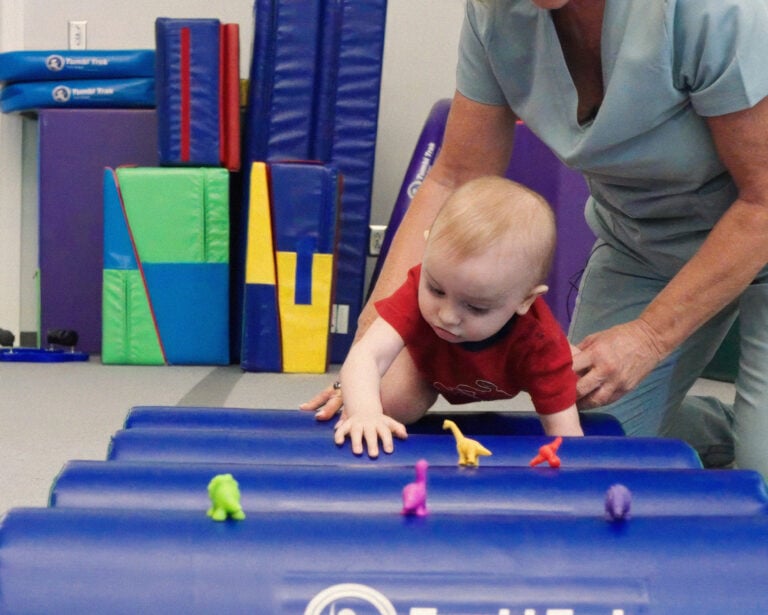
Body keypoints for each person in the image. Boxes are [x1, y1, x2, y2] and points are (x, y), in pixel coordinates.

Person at [305, 0, 768, 476]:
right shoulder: (495, 14)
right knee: (602, 431)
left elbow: (762, 201)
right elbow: (457, 175)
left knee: (764, 474)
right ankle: (726, 426)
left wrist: (647, 338)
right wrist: (368, 350)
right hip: (644, 244)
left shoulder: (710, 12)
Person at [302, 176, 583, 456]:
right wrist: (364, 413)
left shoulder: (539, 341)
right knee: (392, 400)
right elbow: (366, 355)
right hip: (429, 364)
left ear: (525, 300)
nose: (447, 316)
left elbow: (567, 438)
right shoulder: (416, 291)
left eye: (476, 307)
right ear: (426, 251)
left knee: (577, 379)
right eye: (436, 290)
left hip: (513, 368)